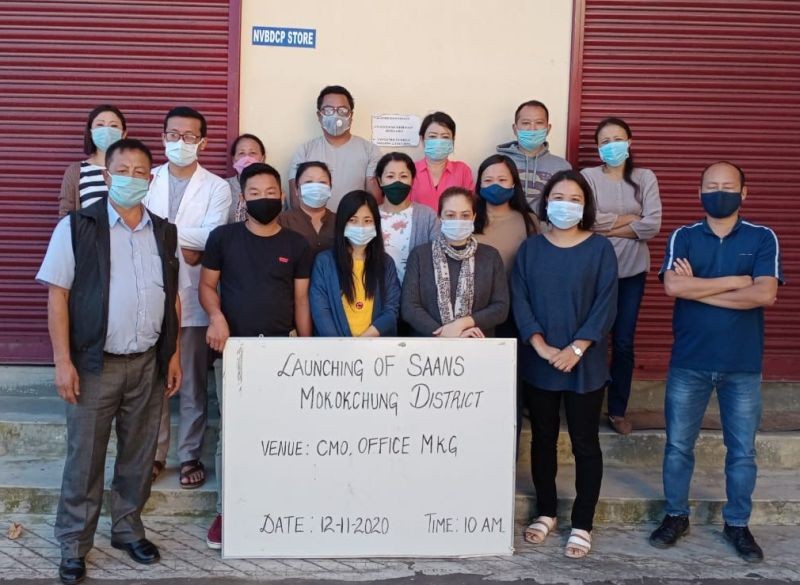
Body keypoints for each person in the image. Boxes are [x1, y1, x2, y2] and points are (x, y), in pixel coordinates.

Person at [36, 139, 183, 584]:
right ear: (106, 174)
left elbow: (171, 295)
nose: (132, 178)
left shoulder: (163, 230)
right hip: (94, 363)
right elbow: (57, 294)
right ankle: (74, 544)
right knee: (85, 459)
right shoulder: (78, 226)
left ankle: (127, 529)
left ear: (151, 178)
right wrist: (63, 361)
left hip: (147, 364)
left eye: (141, 171)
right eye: (123, 169)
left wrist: (172, 353)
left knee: (138, 456)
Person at [649, 161, 782, 563]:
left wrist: (698, 290)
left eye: (727, 186)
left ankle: (737, 523)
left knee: (742, 452)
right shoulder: (683, 236)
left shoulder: (762, 237)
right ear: (699, 192)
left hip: (741, 365)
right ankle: (676, 515)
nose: (718, 191)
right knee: (677, 447)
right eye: (710, 185)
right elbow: (673, 285)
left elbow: (765, 296)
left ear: (744, 193)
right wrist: (737, 280)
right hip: (689, 361)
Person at [199, 162, 312, 550]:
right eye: (255, 193)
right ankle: (226, 511)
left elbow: (300, 299)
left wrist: (307, 349)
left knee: (283, 433)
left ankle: (278, 506)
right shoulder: (223, 238)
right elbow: (207, 286)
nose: (264, 199)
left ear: (282, 195)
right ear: (242, 199)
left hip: (282, 352)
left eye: (270, 193)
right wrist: (216, 318)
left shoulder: (297, 245)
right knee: (231, 434)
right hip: (234, 351)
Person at [511, 170, 618, 559]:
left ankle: (583, 522)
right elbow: (519, 299)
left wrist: (575, 349)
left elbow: (606, 303)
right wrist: (539, 345)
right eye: (559, 196)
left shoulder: (600, 249)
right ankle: (546, 512)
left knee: (585, 443)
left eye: (575, 198)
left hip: (584, 365)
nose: (566, 205)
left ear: (586, 205)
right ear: (545, 202)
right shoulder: (531, 249)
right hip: (540, 361)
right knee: (541, 440)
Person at [144, 106, 230, 490]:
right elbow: (135, 226)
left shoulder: (217, 186)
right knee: (153, 380)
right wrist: (187, 239)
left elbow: (212, 238)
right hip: (147, 296)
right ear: (162, 137)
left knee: (193, 382)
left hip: (194, 298)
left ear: (204, 142)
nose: (181, 142)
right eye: (173, 135)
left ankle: (190, 453)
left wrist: (162, 233)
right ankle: (154, 453)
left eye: (190, 136)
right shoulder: (144, 177)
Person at [581, 117, 662, 435]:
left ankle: (617, 409)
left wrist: (610, 226)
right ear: (598, 147)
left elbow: (652, 224)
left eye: (617, 138)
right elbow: (586, 220)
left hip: (632, 273)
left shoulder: (645, 177)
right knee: (593, 338)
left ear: (629, 141)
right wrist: (631, 221)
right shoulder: (587, 176)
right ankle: (587, 406)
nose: (611, 145)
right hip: (595, 272)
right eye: (604, 141)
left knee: (624, 342)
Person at [402, 187, 509, 338]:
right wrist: (445, 335)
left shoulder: (490, 256)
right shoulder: (420, 255)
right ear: (440, 217)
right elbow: (409, 306)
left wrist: (461, 324)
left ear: (473, 217)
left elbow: (500, 307)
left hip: (477, 347)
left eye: (465, 215)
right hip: (428, 350)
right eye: (450, 215)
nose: (458, 221)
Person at [310, 190, 400, 337]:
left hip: (376, 351)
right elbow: (321, 311)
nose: (361, 227)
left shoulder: (386, 263)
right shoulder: (324, 262)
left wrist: (363, 342)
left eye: (367, 220)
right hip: (337, 353)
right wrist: (344, 348)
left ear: (376, 224)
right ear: (342, 222)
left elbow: (391, 309)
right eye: (353, 220)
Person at [288, 85, 382, 210]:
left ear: (351, 115)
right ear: (319, 115)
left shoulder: (370, 150)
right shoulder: (304, 151)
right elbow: (295, 200)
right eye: (328, 110)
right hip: (313, 226)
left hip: (353, 224)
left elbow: (374, 199)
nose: (335, 115)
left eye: (342, 110)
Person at [497, 100, 571, 215]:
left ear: (548, 128)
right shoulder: (498, 163)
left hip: (548, 231)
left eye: (539, 123)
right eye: (526, 123)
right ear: (515, 129)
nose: (532, 129)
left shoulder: (562, 167)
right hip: (508, 229)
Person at [376, 152, 439, 282]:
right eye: (390, 176)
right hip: (378, 296)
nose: (397, 182)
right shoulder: (370, 215)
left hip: (416, 296)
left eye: (403, 176)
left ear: (412, 180)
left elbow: (439, 256)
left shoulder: (427, 216)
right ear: (379, 180)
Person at [474, 154, 539, 275]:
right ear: (480, 185)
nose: (495, 186)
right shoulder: (468, 218)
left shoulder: (528, 220)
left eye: (502, 180)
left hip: (512, 292)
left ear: (513, 183)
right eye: (488, 180)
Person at [58, 105, 128, 217]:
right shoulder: (75, 172)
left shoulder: (134, 170)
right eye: (100, 125)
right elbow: (66, 218)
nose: (107, 131)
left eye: (113, 126)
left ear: (123, 134)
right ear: (90, 132)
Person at [409, 112, 473, 212]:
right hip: (419, 227)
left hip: (453, 227)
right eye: (433, 136)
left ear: (453, 140)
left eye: (445, 137)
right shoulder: (409, 170)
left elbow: (469, 207)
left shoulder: (462, 170)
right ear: (422, 139)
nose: (439, 142)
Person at [278, 161, 336, 257]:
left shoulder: (340, 220)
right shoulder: (282, 220)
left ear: (330, 188)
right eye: (308, 182)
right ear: (296, 190)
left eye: (322, 182)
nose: (316, 188)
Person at [225, 133, 266, 223]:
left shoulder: (272, 187)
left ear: (262, 158)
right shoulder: (223, 187)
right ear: (233, 159)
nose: (247, 158)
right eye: (241, 153)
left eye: (253, 153)